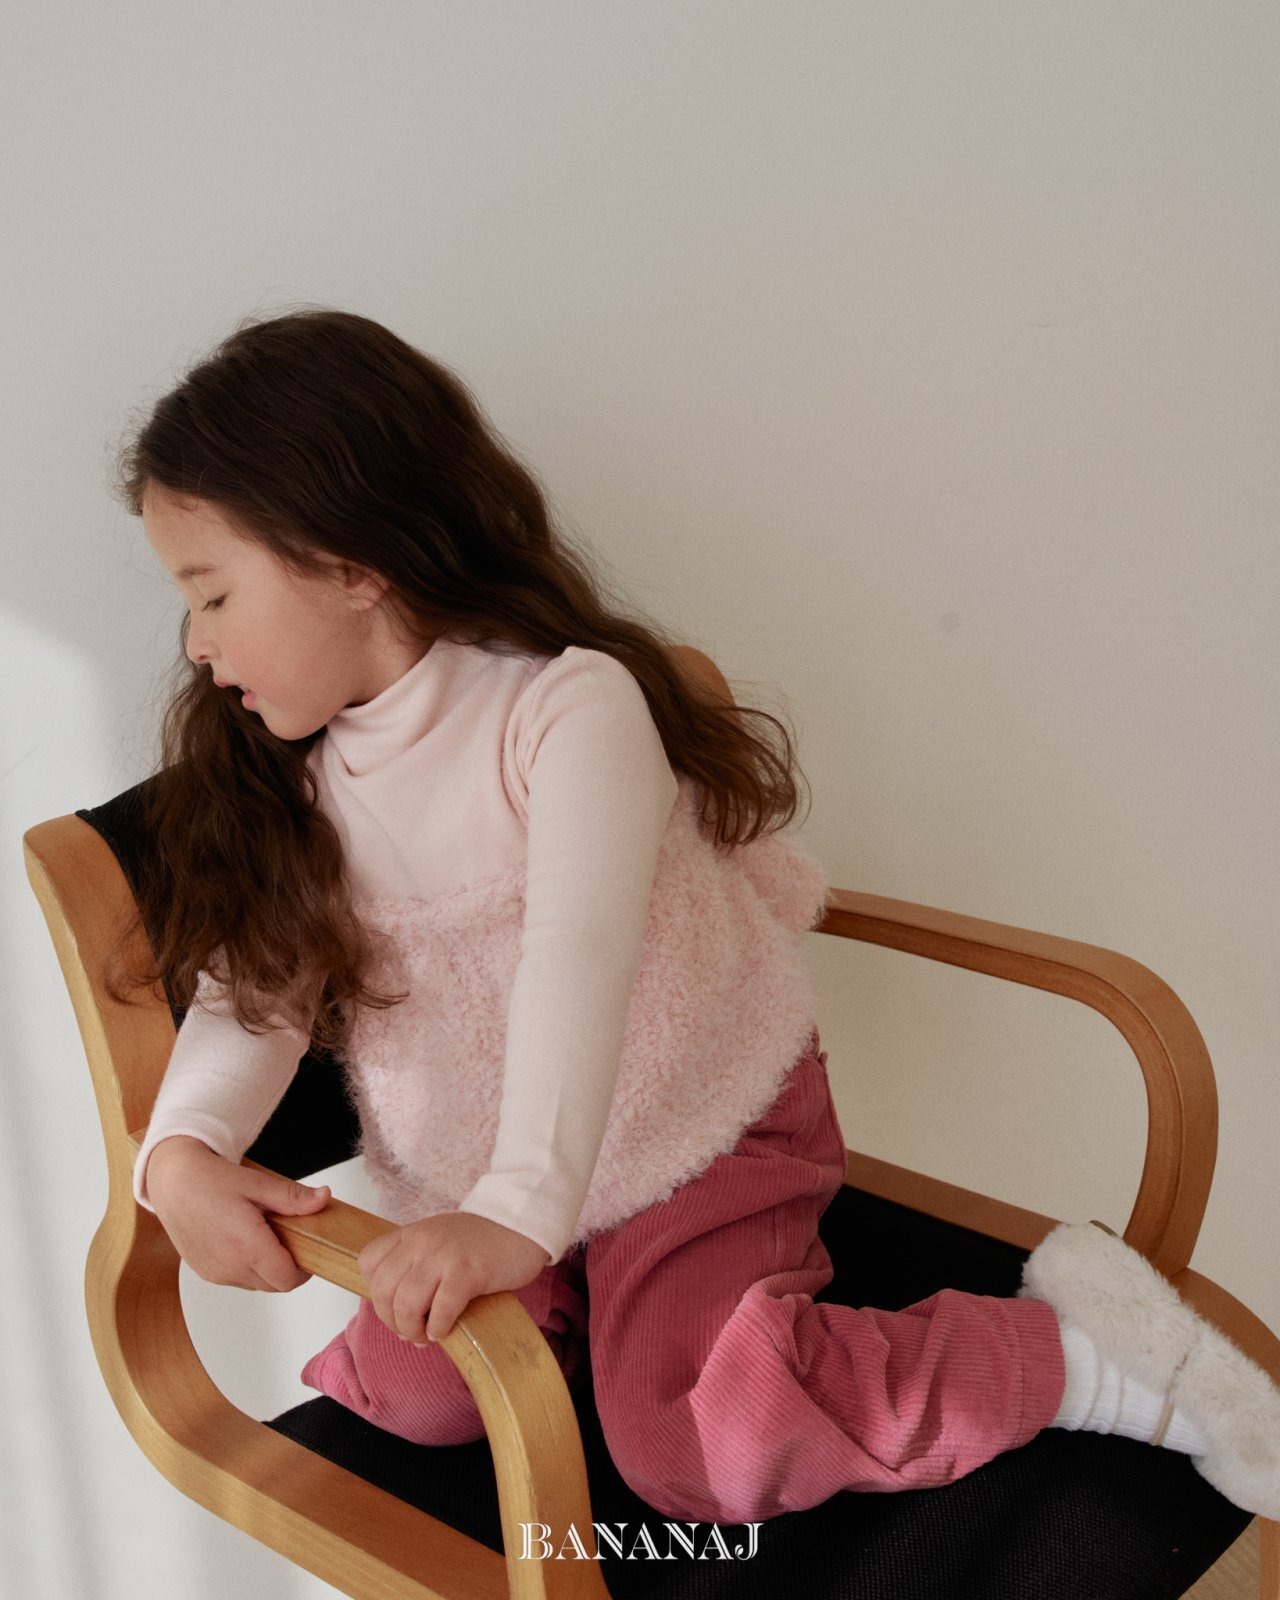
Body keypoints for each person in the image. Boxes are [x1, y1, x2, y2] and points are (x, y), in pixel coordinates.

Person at [115, 307, 1279, 1526]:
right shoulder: (284, 781)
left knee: (691, 1449)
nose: (196, 645)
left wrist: (516, 1214)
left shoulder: (566, 711)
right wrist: (182, 1153)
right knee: (413, 1394)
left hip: (690, 1125)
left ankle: (1084, 1357)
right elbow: (254, 997)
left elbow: (575, 961)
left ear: (352, 563)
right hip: (491, 1177)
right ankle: (582, 1298)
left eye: (212, 594)